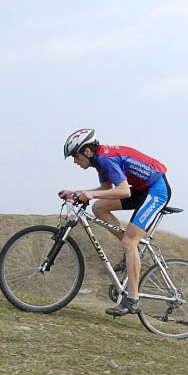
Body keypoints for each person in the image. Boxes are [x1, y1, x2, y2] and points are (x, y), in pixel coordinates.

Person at [59, 128, 171, 317]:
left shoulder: (105, 159)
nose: (75, 161)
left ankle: (133, 300)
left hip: (156, 190)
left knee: (129, 242)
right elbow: (106, 187)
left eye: (75, 156)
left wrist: (90, 194)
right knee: (99, 208)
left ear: (87, 151)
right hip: (141, 190)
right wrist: (77, 192)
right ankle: (130, 250)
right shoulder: (100, 161)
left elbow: (124, 191)